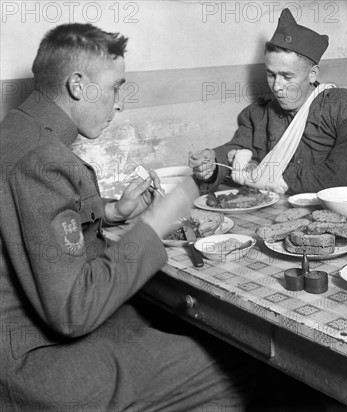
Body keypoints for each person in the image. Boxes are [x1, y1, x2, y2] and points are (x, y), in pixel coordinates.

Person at [0, 23, 253, 411]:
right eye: (116, 87)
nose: (120, 103)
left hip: (23, 339)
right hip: (32, 362)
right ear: (78, 85)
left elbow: (29, 215)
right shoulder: (43, 159)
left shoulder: (18, 129)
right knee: (227, 368)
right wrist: (157, 221)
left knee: (169, 327)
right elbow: (73, 310)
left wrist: (111, 210)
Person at [189, 8, 347, 195]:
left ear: (312, 74)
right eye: (271, 75)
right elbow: (236, 150)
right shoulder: (258, 115)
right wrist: (211, 164)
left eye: (287, 77)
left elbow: (341, 177)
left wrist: (266, 174)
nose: (277, 87)